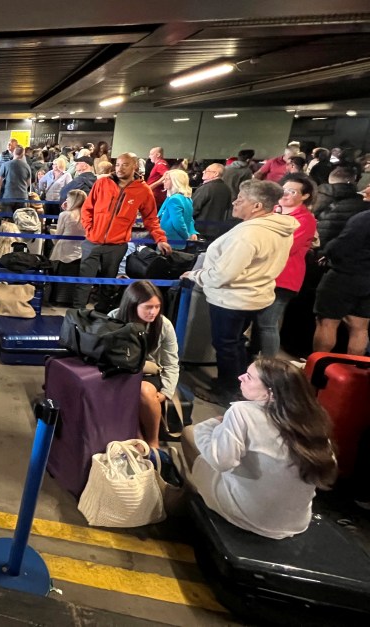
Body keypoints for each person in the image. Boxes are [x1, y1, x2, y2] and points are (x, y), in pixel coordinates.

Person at [181, 358, 337, 539]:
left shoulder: (242, 412)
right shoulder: (314, 419)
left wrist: (209, 426)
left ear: (269, 393)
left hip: (250, 516)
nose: (240, 378)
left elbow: (221, 461)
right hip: (296, 521)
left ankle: (192, 495)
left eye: (249, 377)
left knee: (189, 433)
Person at [182, 180, 295, 405]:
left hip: (232, 300)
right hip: (254, 296)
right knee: (234, 343)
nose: (234, 202)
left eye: (241, 199)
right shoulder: (278, 227)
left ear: (257, 206)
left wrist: (195, 276)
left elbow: (223, 274)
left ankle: (230, 390)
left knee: (226, 346)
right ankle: (238, 383)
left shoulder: (249, 235)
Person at [74, 153, 171, 308]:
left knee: (108, 284)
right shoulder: (103, 183)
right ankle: (77, 314)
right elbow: (87, 207)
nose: (119, 168)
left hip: (117, 245)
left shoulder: (143, 190)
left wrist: (161, 239)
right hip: (92, 241)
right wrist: (89, 228)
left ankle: (102, 316)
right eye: (117, 164)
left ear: (135, 166)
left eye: (125, 164)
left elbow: (151, 219)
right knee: (84, 281)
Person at [110, 281, 179, 451]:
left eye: (157, 307)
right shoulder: (114, 318)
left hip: (149, 373)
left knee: (144, 390)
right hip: (120, 371)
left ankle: (152, 441)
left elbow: (171, 362)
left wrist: (166, 391)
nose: (153, 311)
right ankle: (138, 439)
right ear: (133, 305)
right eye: (148, 307)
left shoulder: (163, 325)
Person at [255, 174, 317, 357]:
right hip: (263, 274)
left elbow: (286, 247)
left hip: (284, 278)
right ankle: (252, 360)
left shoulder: (305, 220)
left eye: (292, 191)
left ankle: (268, 367)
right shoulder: (273, 211)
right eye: (284, 189)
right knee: (258, 322)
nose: (286, 194)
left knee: (267, 323)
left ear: (305, 196)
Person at [313, 196, 370, 356]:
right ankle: (353, 373)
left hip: (345, 276)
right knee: (360, 328)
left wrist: (326, 253)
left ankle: (316, 371)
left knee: (327, 323)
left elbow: (342, 244)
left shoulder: (365, 218)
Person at [313, 166, 368, 251]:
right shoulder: (362, 204)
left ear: (330, 178)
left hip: (313, 250)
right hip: (344, 254)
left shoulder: (311, 198)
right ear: (353, 180)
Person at [47, 189, 87, 306]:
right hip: (81, 253)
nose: (66, 200)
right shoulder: (88, 215)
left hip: (63, 252)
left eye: (68, 199)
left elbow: (57, 236)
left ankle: (55, 299)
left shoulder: (64, 215)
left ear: (72, 200)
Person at [191, 162, 235, 240]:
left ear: (215, 174)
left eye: (207, 170)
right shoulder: (226, 189)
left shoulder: (206, 188)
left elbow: (193, 208)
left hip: (201, 229)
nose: (203, 172)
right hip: (217, 230)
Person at [158, 170, 198, 249]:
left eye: (166, 179)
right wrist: (192, 232)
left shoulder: (174, 199)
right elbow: (190, 219)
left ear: (175, 181)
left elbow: (178, 223)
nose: (164, 182)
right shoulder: (187, 198)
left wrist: (187, 236)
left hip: (170, 241)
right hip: (177, 241)